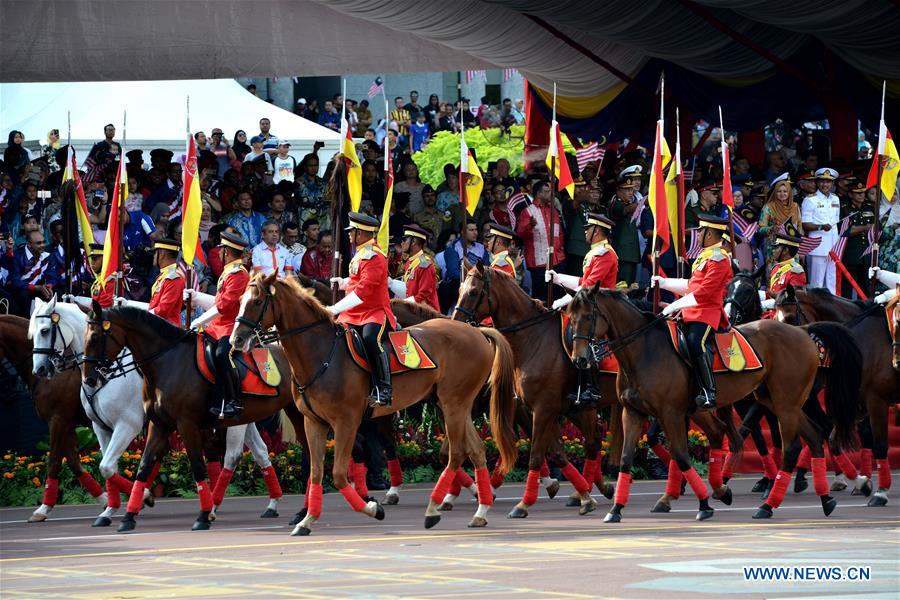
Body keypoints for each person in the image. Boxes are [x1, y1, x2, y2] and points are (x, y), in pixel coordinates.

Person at [651, 215, 733, 410]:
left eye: (701, 232)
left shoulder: (720, 259)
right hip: (691, 311)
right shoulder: (705, 257)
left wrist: (674, 306)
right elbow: (690, 285)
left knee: (696, 342)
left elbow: (704, 293)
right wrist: (665, 283)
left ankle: (708, 391)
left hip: (707, 313)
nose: (698, 236)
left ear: (710, 234)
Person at [546, 213, 618, 408]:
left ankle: (591, 388)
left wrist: (560, 301)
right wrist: (558, 277)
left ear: (597, 231)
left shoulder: (605, 254)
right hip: (588, 303)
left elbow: (589, 287)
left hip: (598, 305)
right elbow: (582, 281)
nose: (585, 231)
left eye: (588, 229)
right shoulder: (596, 253)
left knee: (579, 336)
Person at [328, 212, 397, 407]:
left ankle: (384, 389)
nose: (349, 235)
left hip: (374, 312)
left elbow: (363, 292)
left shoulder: (375, 257)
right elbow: (357, 280)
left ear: (361, 234)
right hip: (353, 314)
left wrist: (334, 308)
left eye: (353, 232)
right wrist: (343, 282)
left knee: (371, 340)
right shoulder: (360, 254)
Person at [186, 231, 250, 418]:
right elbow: (218, 302)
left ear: (226, 252)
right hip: (218, 326)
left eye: (221, 250)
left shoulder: (238, 274)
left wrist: (198, 321)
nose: (219, 253)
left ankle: (233, 401)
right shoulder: (229, 272)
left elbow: (224, 307)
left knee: (223, 355)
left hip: (232, 328)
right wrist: (196, 297)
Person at [516, 180, 565, 300]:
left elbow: (560, 234)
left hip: (558, 261)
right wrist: (530, 225)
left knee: (559, 294)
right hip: (538, 263)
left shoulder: (554, 210)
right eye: (547, 192)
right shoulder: (528, 211)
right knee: (541, 296)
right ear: (538, 194)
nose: (551, 194)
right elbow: (520, 234)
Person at [801, 168, 840, 293]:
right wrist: (820, 226)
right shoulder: (810, 200)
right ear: (817, 183)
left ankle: (832, 308)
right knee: (816, 283)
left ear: (832, 184)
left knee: (831, 281)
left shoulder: (836, 199)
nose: (825, 185)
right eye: (822, 181)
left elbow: (836, 222)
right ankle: (815, 309)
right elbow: (805, 224)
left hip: (833, 246)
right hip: (817, 246)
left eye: (828, 182)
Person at [758, 173, 802, 274]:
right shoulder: (768, 207)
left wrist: (801, 250)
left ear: (789, 192)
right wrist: (771, 229)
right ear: (775, 192)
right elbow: (760, 228)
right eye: (779, 191)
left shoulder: (795, 207)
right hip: (774, 249)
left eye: (785, 191)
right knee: (774, 277)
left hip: (792, 249)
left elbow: (800, 228)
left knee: (792, 276)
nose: (782, 194)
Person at [9, 229, 59, 316]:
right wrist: (35, 288)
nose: (43, 245)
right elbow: (15, 281)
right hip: (22, 290)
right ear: (29, 244)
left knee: (55, 293)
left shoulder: (48, 256)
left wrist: (49, 286)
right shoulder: (17, 256)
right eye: (38, 243)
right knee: (24, 294)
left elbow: (52, 276)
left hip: (39, 288)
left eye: (44, 242)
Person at [388, 225, 439, 310]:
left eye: (404, 240)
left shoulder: (424, 264)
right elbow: (410, 290)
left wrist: (404, 305)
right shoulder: (410, 261)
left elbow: (424, 294)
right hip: (414, 310)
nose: (401, 243)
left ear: (414, 241)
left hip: (426, 314)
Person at [840, 181, 875, 298]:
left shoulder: (870, 208)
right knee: (848, 287)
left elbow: (876, 228)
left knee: (865, 286)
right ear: (850, 195)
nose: (861, 195)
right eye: (857, 193)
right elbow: (845, 231)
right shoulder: (845, 209)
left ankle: (865, 311)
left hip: (867, 254)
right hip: (851, 254)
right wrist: (865, 227)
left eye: (863, 193)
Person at [760, 229, 806, 311]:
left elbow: (792, 299)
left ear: (785, 250)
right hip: (772, 310)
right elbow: (770, 294)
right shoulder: (776, 268)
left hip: (785, 313)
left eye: (776, 248)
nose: (773, 251)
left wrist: (764, 302)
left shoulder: (796, 271)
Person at [608, 178, 641, 285]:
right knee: (621, 285)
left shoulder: (629, 204)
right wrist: (643, 202)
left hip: (631, 253)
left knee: (631, 285)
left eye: (631, 190)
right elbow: (626, 210)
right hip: (622, 253)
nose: (631, 193)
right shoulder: (615, 203)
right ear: (618, 191)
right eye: (627, 190)